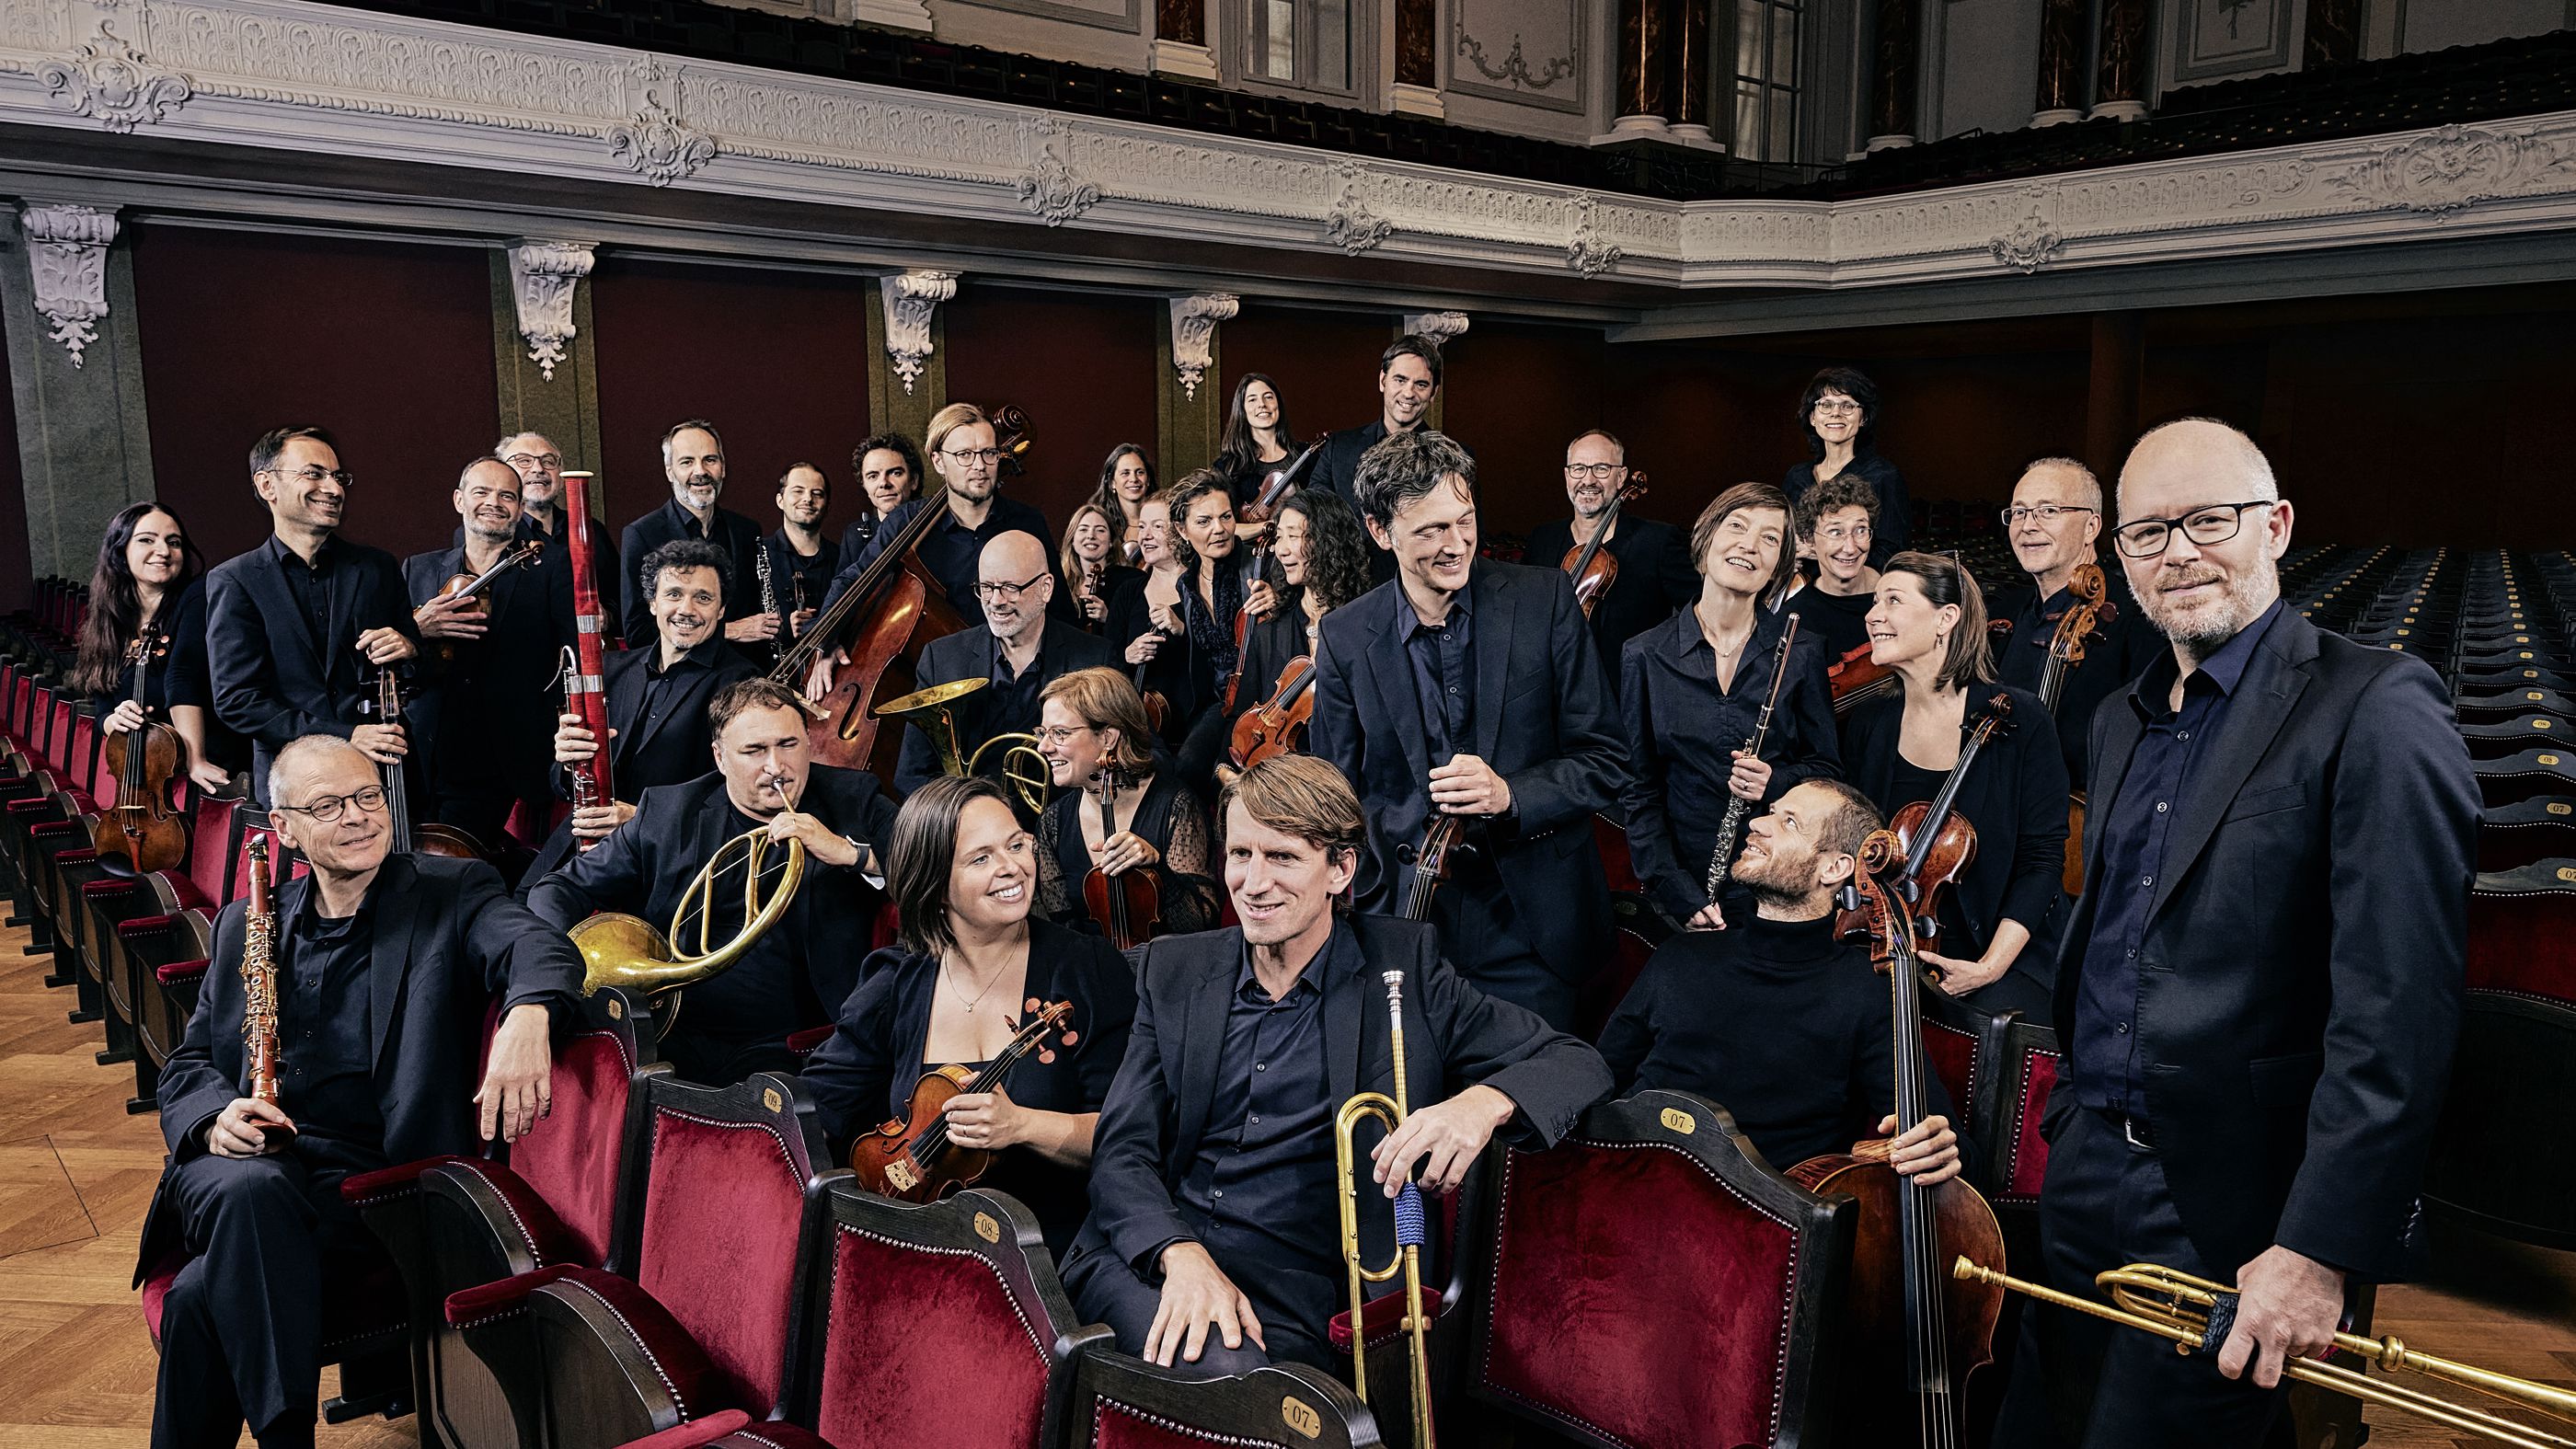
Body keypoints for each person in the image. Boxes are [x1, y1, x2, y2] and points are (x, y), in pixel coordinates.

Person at [1994, 420, 2478, 1449]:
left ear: (2277, 527)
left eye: (2208, 520)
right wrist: (2072, 1121)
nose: (2178, 553)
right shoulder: (2119, 719)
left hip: (2236, 1208)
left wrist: (2318, 1247)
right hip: (2084, 1174)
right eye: (2147, 533)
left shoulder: (2376, 704)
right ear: (2118, 556)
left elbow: (2399, 1010)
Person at [1060, 754, 1611, 1375]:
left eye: (1282, 857)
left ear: (1341, 869)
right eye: (1240, 854)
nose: (1254, 882)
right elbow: (1122, 1151)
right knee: (1217, 1367)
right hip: (1152, 1256)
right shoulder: (1175, 969)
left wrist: (1480, 1104)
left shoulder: (1407, 969)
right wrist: (1179, 1253)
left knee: (1247, 1381)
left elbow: (1577, 1062)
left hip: (1299, 1292)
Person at [142, 734, 579, 1449]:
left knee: (199, 1295)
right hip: (238, 1164)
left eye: (369, 795)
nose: (358, 816)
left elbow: (539, 945)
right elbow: (188, 1062)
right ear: (284, 828)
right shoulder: (245, 921)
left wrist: (530, 1011)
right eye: (328, 805)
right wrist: (215, 1118)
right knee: (252, 1187)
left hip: (363, 1188)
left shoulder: (451, 891)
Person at [1312, 430, 1625, 1030]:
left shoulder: (1545, 600)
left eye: (1465, 520)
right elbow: (1337, 796)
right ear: (1380, 530)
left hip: (1534, 928)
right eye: (1431, 530)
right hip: (1405, 923)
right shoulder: (1344, 635)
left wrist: (1510, 794)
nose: (1456, 545)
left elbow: (1607, 758)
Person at [803, 775, 1136, 1259]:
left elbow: (1126, 1131)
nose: (1012, 868)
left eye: (1016, 845)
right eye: (981, 858)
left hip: (1050, 1248)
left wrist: (1021, 1124)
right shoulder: (899, 980)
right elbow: (817, 1105)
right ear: (935, 884)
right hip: (923, 1242)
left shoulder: (1087, 968)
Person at [528, 678, 898, 1086]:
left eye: (788, 744)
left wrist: (852, 854)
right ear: (720, 758)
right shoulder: (667, 812)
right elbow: (557, 890)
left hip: (798, 1041)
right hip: (673, 1029)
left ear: (809, 741)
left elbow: (934, 873)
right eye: (754, 751)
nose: (776, 767)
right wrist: (554, 974)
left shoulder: (855, 798)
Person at [1601, 777, 1961, 1179]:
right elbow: (1600, 1080)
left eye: (1790, 822)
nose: (1757, 824)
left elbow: (1950, 1149)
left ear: (1835, 868)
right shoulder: (1682, 955)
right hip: (1629, 1181)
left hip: (1761, 1208)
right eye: (1771, 812)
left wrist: (1937, 1148)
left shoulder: (1866, 989)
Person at [1836, 551, 2066, 1016]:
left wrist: (1989, 967)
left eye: (1893, 600)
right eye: (1875, 601)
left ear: (1946, 618)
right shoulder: (1869, 723)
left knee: (1993, 1023)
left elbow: (2041, 862)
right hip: (1890, 940)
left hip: (1995, 946)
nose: (1873, 615)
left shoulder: (2020, 718)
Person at [1619, 483, 1839, 932]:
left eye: (1770, 538)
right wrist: (1673, 888)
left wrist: (1775, 782)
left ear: (1780, 564)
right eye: (1737, 526)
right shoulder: (1644, 655)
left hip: (1777, 886)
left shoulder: (1801, 651)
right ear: (1707, 538)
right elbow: (1637, 790)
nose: (1750, 545)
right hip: (1684, 889)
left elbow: (1828, 770)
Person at [206, 426, 420, 806]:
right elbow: (238, 700)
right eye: (314, 474)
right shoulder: (235, 580)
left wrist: (409, 648)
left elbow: (421, 670)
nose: (334, 489)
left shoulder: (378, 568)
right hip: (294, 782)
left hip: (383, 774)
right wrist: (344, 735)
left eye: (338, 477)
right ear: (267, 485)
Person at [536, 540, 759, 875]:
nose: (686, 609)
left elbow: (734, 799)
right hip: (582, 846)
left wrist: (641, 818)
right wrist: (569, 763)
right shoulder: (611, 670)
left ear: (722, 609)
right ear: (653, 603)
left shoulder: (741, 683)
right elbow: (562, 784)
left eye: (703, 598)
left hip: (669, 861)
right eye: (673, 594)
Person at [403, 456, 578, 846]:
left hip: (506, 757)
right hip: (429, 753)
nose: (494, 503)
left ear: (520, 507)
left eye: (507, 496)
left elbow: (572, 655)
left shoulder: (550, 566)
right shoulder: (418, 569)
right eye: (481, 492)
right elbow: (399, 660)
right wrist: (419, 629)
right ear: (459, 500)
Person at [817, 403, 1062, 665]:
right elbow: (855, 579)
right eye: (964, 454)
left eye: (988, 452)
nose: (979, 465)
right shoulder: (906, 522)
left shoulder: (1027, 522)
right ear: (938, 462)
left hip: (1017, 669)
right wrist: (825, 642)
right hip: (933, 672)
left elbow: (1059, 609)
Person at [890, 531, 1121, 797]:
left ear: (1046, 588)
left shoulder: (1095, 658)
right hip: (964, 818)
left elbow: (1132, 755)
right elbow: (912, 775)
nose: (996, 601)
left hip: (1060, 818)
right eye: (986, 587)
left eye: (1011, 587)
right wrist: (967, 816)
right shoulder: (941, 658)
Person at [1987, 457, 2162, 794]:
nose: (2027, 525)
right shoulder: (2002, 613)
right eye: (2019, 512)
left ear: (2091, 527)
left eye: (2048, 511)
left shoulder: (2138, 620)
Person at [1197, 490, 1373, 793]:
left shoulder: (1365, 626)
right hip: (1279, 783)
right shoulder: (1269, 632)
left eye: (1294, 536)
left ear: (1328, 541)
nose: (1282, 549)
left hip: (1348, 782)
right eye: (1279, 537)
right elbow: (1242, 716)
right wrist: (1225, 770)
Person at [1031, 668, 1219, 939]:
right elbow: (1062, 933)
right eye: (1043, 733)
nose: (1044, 747)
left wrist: (1158, 870)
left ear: (1108, 737)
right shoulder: (1053, 823)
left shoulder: (1177, 807)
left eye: (1060, 733)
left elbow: (1201, 927)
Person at [69, 502, 234, 796]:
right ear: (121, 551)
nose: (163, 551)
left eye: (174, 542)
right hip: (151, 772)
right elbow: (102, 707)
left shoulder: (197, 596)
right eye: (147, 540)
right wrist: (115, 720)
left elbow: (183, 676)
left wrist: (195, 759)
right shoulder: (110, 618)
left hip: (206, 759)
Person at [1519, 430, 1695, 678]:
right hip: (1553, 684)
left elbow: (1700, 613)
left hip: (1626, 689)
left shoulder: (1658, 541)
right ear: (1567, 476)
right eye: (1578, 468)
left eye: (1601, 469)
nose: (1588, 480)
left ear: (1621, 477)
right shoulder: (1543, 539)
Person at [1307, 336, 1451, 581]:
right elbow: (1314, 515)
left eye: (1421, 384)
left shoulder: (1450, 459)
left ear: (1433, 393)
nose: (1409, 393)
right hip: (1345, 587)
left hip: (1416, 590)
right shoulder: (1339, 447)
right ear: (1383, 381)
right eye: (1400, 380)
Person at [617, 419, 769, 650]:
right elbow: (637, 633)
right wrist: (728, 631)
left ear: (723, 467)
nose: (700, 471)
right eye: (687, 462)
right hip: (680, 669)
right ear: (670, 472)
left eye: (710, 460)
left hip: (743, 667)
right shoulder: (641, 534)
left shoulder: (746, 530)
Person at [493, 431, 620, 643]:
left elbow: (619, 595)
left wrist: (607, 616)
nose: (538, 468)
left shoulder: (591, 529)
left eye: (548, 461)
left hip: (591, 653)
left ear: (560, 475)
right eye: (523, 460)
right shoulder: (493, 536)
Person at [1781, 367, 1909, 568]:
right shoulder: (1796, 476)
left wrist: (1821, 551)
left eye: (1847, 406)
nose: (1836, 413)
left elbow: (1892, 553)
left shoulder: (1884, 476)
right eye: (1825, 405)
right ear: (1813, 417)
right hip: (1798, 583)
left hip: (1855, 584)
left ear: (1863, 418)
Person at [1108, 493, 1198, 742]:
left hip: (1190, 726)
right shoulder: (1128, 591)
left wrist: (1182, 630)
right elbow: (1105, 659)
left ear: (1180, 531)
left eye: (1157, 526)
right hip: (1136, 723)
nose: (1145, 536)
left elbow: (1218, 663)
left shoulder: (1199, 587)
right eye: (1142, 527)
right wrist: (1128, 655)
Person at [1167, 472, 1246, 730]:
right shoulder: (1187, 585)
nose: (1219, 529)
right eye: (1204, 521)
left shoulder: (1257, 568)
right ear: (1182, 530)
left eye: (1226, 517)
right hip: (1215, 703)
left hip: (1259, 700)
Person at [1787, 473, 1881, 665]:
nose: (1850, 548)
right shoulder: (1795, 620)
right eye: (1835, 532)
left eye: (1860, 530)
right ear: (1809, 540)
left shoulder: (1903, 597)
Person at [757, 461, 840, 659]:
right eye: (798, 491)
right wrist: (784, 628)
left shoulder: (841, 557)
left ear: (827, 506)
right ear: (780, 500)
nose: (808, 499)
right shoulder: (758, 554)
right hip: (769, 670)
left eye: (817, 493)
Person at [1212, 373, 1302, 506]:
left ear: (1278, 404)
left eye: (1268, 397)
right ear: (1242, 409)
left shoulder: (1307, 456)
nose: (1262, 404)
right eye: (1252, 400)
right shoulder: (1227, 467)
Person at [838, 432, 923, 562]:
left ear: (914, 481)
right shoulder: (854, 536)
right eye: (873, 476)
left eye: (895, 473)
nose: (884, 483)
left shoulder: (934, 528)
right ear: (864, 486)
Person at [1061, 501, 1137, 635]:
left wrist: (1109, 617)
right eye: (1083, 529)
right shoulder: (1060, 584)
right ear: (1072, 539)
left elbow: (1138, 630)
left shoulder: (1130, 581)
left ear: (1111, 541)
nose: (1091, 536)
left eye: (1100, 530)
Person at [1095, 444, 1157, 563]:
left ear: (1148, 480)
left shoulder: (1164, 520)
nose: (1134, 479)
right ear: (1112, 482)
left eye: (1140, 472)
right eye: (1125, 473)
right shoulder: (1102, 524)